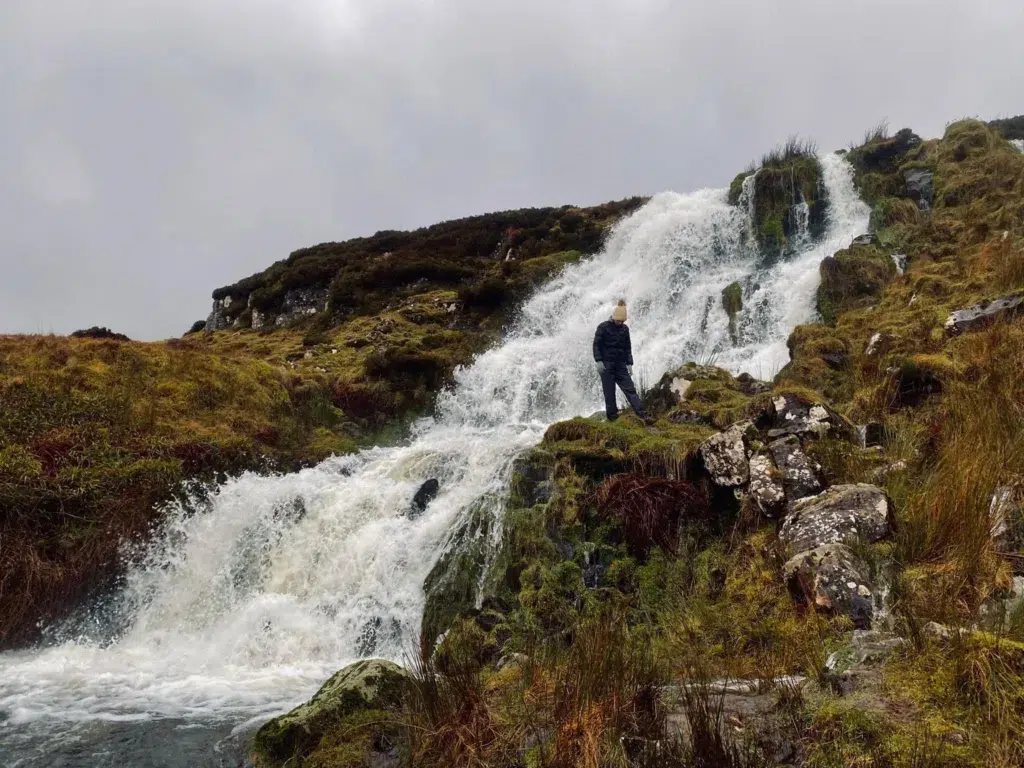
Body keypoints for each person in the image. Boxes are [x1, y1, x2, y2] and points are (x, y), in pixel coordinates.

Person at [593, 300, 655, 425]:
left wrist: (629, 363)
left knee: (631, 390)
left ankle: (642, 414)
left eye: (622, 321)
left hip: (620, 366)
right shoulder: (603, 327)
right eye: (618, 321)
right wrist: (599, 361)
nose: (620, 323)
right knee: (609, 393)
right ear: (613, 317)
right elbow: (596, 345)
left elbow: (628, 347)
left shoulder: (625, 329)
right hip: (606, 366)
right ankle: (613, 418)